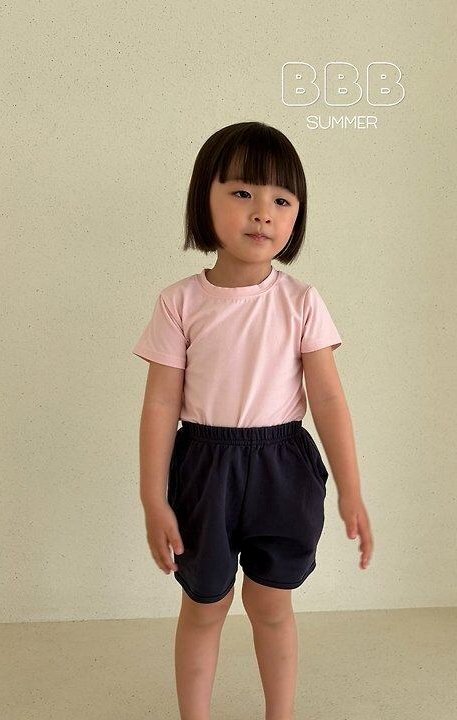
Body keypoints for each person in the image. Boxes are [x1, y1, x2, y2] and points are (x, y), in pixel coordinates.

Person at [132, 121, 373, 720]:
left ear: (297, 216)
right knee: (204, 606)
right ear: (204, 199)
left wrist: (351, 490)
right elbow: (160, 405)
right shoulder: (180, 302)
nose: (263, 211)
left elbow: (329, 400)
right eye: (242, 192)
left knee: (271, 605)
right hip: (203, 468)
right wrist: (153, 499)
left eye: (281, 200)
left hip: (282, 467)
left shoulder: (301, 302)